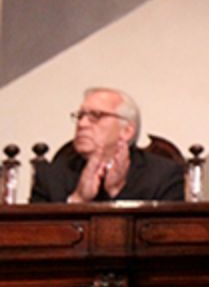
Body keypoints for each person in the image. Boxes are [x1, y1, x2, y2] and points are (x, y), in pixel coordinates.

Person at [31, 87, 184, 203]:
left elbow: (164, 238)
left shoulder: (164, 175)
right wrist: (78, 200)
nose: (82, 124)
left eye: (96, 116)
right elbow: (35, 236)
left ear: (127, 131)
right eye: (80, 116)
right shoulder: (49, 177)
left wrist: (118, 193)